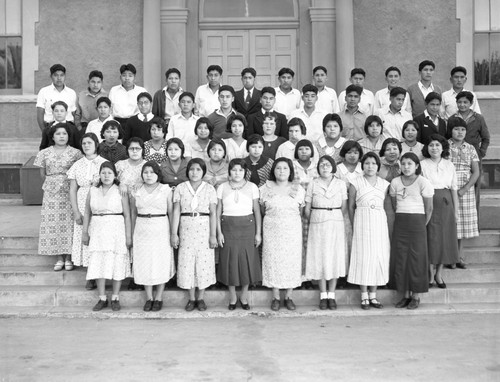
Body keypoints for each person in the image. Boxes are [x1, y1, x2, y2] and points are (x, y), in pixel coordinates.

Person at [82, 161, 132, 312]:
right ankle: (102, 297)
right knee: (98, 261)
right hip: (97, 229)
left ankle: (115, 297)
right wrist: (85, 232)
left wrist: (128, 236)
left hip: (116, 228)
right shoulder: (93, 190)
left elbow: (128, 215)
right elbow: (87, 212)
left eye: (109, 173)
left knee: (117, 261)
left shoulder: (120, 190)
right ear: (99, 175)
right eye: (103, 172)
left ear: (115, 175)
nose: (106, 175)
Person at [34, 124, 83, 271]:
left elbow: (79, 171)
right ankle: (59, 257)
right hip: (51, 192)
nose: (62, 136)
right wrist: (52, 183)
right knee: (53, 222)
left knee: (69, 223)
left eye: (64, 134)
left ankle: (69, 257)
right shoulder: (44, 153)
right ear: (52, 136)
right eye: (58, 134)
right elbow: (42, 173)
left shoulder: (76, 153)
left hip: (70, 190)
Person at [171, 158, 218, 311]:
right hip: (186, 228)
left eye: (198, 169)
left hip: (204, 228)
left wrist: (213, 235)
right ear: (187, 171)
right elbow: (176, 211)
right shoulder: (180, 188)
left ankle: (201, 298)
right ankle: (191, 298)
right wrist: (174, 233)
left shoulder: (209, 189)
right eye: (192, 169)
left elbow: (213, 213)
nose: (194, 172)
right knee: (187, 261)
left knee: (204, 262)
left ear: (203, 172)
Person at [260, 158, 305, 311]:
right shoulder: (265, 188)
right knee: (273, 261)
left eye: (285, 168)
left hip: (292, 231)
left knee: (291, 262)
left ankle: (289, 297)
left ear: (290, 171)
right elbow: (261, 210)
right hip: (272, 230)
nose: (281, 171)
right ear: (273, 170)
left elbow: (301, 211)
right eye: (278, 168)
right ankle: (276, 297)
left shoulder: (298, 189)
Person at [216, 158, 262, 310]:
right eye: (234, 170)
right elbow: (217, 212)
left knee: (246, 261)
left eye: (240, 170)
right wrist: (219, 233)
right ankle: (232, 297)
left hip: (247, 227)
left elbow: (256, 211)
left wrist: (258, 233)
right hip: (228, 227)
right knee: (229, 261)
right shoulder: (222, 187)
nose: (237, 173)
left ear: (245, 172)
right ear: (229, 171)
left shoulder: (253, 187)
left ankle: (244, 295)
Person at [390, 153, 434, 309]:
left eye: (410, 163)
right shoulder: (395, 182)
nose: (406, 167)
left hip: (417, 224)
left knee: (416, 259)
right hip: (401, 223)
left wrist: (421, 225)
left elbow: (429, 209)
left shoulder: (423, 182)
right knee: (401, 258)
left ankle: (416, 296)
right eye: (403, 164)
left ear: (416, 166)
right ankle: (405, 295)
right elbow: (395, 205)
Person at [130, 161, 176, 312]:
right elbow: (133, 213)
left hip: (161, 228)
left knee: (160, 262)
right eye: (145, 172)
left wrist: (172, 233)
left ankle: (159, 297)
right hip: (141, 229)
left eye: (152, 172)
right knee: (145, 263)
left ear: (158, 174)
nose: (148, 175)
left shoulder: (166, 190)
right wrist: (130, 233)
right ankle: (149, 297)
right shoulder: (137, 190)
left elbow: (171, 212)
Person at [347, 152, 390, 310]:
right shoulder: (355, 182)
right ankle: (364, 295)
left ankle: (374, 295)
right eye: (367, 163)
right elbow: (351, 206)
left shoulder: (384, 184)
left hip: (379, 222)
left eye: (373, 163)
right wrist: (355, 223)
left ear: (378, 166)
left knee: (378, 255)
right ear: (362, 165)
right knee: (364, 256)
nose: (370, 166)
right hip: (362, 221)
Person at [304, 155, 348, 310]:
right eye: (322, 165)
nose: (325, 167)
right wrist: (317, 217)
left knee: (334, 256)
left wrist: (333, 215)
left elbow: (344, 206)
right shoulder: (313, 183)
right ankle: (323, 295)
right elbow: (307, 207)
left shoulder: (341, 184)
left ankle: (332, 294)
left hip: (335, 220)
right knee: (320, 256)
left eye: (328, 165)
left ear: (333, 167)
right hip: (317, 221)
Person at [67, 132, 107, 289]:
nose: (86, 146)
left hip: (99, 202)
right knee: (85, 238)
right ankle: (90, 275)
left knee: (98, 237)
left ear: (96, 144)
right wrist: (76, 212)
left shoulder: (104, 163)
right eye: (84, 143)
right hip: (82, 200)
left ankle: (101, 273)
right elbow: (72, 190)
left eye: (89, 143)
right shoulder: (77, 165)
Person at [420, 134, 460, 284]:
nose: (434, 148)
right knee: (431, 237)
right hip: (429, 202)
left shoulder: (449, 165)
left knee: (444, 238)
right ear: (427, 148)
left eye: (437, 145)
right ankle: (430, 274)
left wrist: (455, 212)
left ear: (442, 147)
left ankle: (439, 274)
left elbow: (454, 189)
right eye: (431, 145)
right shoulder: (422, 164)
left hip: (446, 203)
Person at [447, 117, 481, 269]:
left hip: (466, 189)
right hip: (448, 186)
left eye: (462, 129)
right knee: (450, 223)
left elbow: (476, 172)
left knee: (463, 223)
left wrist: (465, 189)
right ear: (451, 130)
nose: (460, 132)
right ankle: (450, 256)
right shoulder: (444, 146)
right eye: (456, 129)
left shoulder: (470, 148)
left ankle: (459, 256)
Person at [455, 90, 490, 216]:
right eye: (459, 102)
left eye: (465, 102)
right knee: (458, 187)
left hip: (474, 157)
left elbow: (486, 138)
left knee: (475, 188)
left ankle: (475, 222)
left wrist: (481, 153)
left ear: (471, 103)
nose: (462, 105)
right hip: (456, 157)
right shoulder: (453, 118)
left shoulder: (478, 118)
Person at [36, 64, 77, 133]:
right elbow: (40, 114)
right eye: (56, 75)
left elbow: (74, 114)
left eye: (61, 75)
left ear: (65, 76)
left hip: (69, 128)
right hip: (50, 127)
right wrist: (44, 132)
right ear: (51, 76)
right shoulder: (44, 91)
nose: (59, 78)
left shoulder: (71, 93)